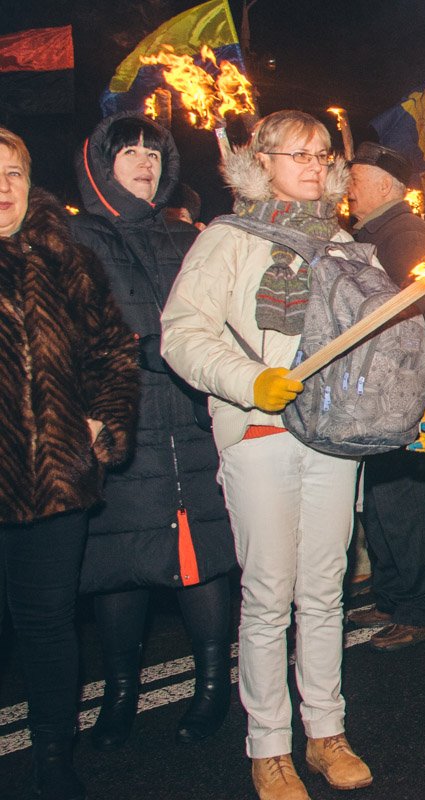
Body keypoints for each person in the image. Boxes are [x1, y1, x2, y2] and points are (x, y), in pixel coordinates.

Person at [161, 110, 425, 800]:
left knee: (324, 593)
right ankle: (268, 747)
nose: (315, 166)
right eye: (300, 155)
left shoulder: (348, 245)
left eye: (323, 156)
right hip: (260, 435)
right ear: (261, 162)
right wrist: (248, 382)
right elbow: (181, 333)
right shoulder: (227, 239)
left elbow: (395, 334)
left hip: (334, 436)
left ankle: (326, 732)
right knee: (268, 597)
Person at [71, 111, 237, 750]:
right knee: (118, 562)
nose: (146, 163)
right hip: (120, 428)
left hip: (191, 425)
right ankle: (118, 695)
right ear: (98, 165)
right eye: (129, 152)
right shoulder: (73, 238)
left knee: (201, 560)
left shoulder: (187, 239)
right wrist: (129, 351)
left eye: (154, 153)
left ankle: (212, 687)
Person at [0, 126, 139, 800]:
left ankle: (53, 754)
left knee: (47, 625)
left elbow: (114, 350)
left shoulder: (68, 258)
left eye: (14, 173)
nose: (2, 187)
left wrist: (102, 421)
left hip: (55, 480)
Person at [342, 141, 425, 650]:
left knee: (401, 498)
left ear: (387, 187)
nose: (347, 187)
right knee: (379, 496)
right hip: (378, 387)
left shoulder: (405, 232)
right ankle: (391, 595)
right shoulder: (371, 233)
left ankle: (416, 610)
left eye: (356, 178)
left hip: (404, 386)